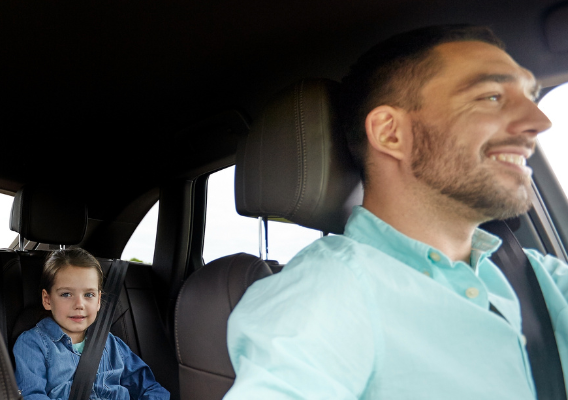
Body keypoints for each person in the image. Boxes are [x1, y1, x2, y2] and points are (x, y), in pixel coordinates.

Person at [225, 25, 567, 399]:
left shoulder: (542, 276)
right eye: (491, 96)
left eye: (531, 96)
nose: (539, 122)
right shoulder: (328, 294)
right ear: (390, 133)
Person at [12, 248, 169, 400]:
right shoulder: (32, 344)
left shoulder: (113, 345)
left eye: (89, 295)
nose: (79, 304)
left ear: (99, 300)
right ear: (47, 300)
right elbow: (32, 394)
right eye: (66, 294)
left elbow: (150, 388)